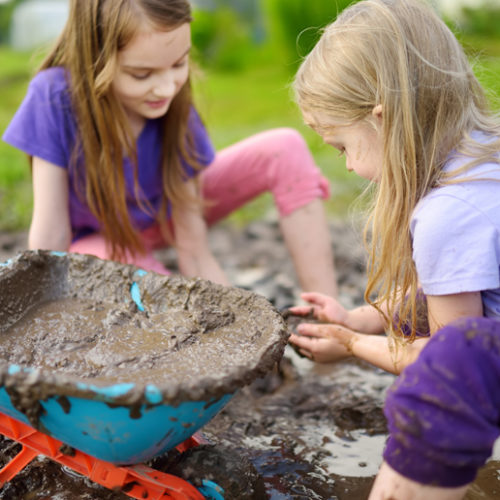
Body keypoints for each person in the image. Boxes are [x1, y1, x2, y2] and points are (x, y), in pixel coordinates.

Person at [288, 0, 500, 498]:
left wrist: (350, 346)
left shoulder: (448, 214)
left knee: (437, 387)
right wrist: (361, 318)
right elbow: (451, 288)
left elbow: (448, 361)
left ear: (381, 119)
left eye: (341, 147)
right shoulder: (481, 159)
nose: (345, 168)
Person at [2, 0, 338, 298]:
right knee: (140, 281)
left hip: (166, 215)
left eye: (179, 64)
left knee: (284, 147)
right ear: (95, 57)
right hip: (101, 240)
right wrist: (43, 305)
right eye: (142, 74)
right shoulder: (54, 97)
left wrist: (230, 312)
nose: (166, 87)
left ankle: (329, 322)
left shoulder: (172, 103)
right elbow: (51, 235)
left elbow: (194, 246)